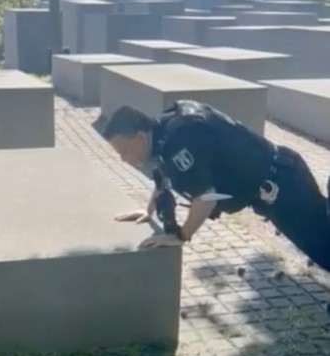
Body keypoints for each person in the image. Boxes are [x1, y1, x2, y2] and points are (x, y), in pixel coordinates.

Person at [103, 100, 330, 271]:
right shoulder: (164, 133)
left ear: (141, 137)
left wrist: (181, 236)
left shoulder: (180, 137)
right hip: (275, 184)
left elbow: (205, 199)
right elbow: (163, 176)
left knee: (324, 249)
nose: (124, 158)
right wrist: (148, 210)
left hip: (285, 186)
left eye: (124, 151)